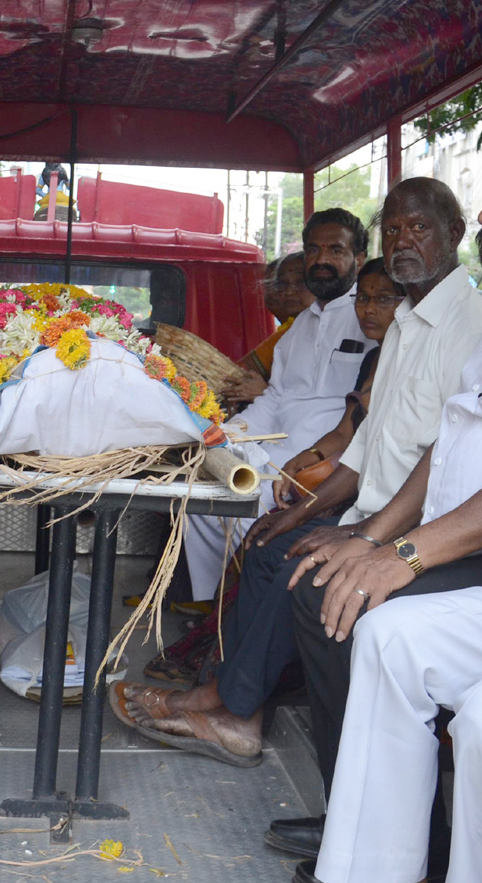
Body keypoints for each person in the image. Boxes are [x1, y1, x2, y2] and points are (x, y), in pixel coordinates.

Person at [279, 182, 482, 883]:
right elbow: (421, 448)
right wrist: (361, 535)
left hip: (455, 542)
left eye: (420, 228)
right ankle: (358, 826)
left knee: (335, 593)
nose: (404, 241)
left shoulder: (470, 323)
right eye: (392, 228)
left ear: (454, 231)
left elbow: (444, 476)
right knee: (309, 571)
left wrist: (384, 550)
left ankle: (400, 852)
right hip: (420, 526)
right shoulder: (403, 322)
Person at [111, 208, 372, 766]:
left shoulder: (373, 317)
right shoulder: (302, 323)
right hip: (280, 445)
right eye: (315, 251)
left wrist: (309, 465)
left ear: (358, 257)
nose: (323, 260)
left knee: (263, 533)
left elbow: (361, 424)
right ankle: (217, 623)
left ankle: (229, 669)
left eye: (337, 250)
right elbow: (275, 398)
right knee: (202, 501)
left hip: (326, 466)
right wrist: (222, 435)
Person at [271, 259, 404, 507]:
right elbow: (344, 432)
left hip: (383, 497)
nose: (369, 309)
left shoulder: (411, 362)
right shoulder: (372, 359)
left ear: (406, 304)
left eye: (384, 299)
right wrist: (305, 458)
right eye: (362, 298)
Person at [226, 252, 317, 404]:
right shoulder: (289, 332)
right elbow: (236, 374)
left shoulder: (328, 329)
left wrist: (264, 393)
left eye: (300, 283)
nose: (288, 292)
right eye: (281, 284)